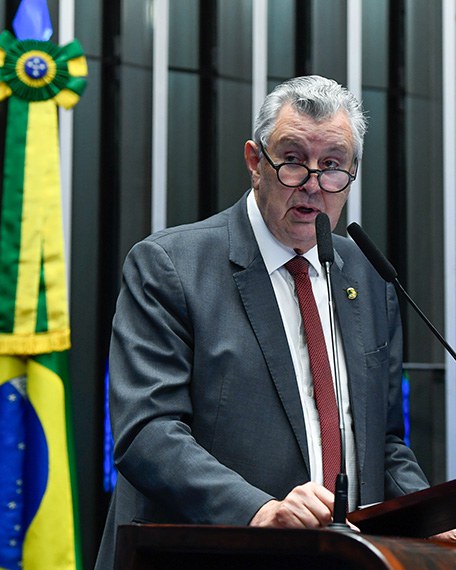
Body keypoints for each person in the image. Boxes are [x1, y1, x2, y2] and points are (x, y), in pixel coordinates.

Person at [95, 75, 429, 568]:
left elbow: (382, 441)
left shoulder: (367, 275)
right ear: (256, 161)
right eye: (293, 160)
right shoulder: (170, 266)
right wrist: (258, 510)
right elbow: (147, 432)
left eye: (333, 167)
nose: (313, 185)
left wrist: (436, 516)